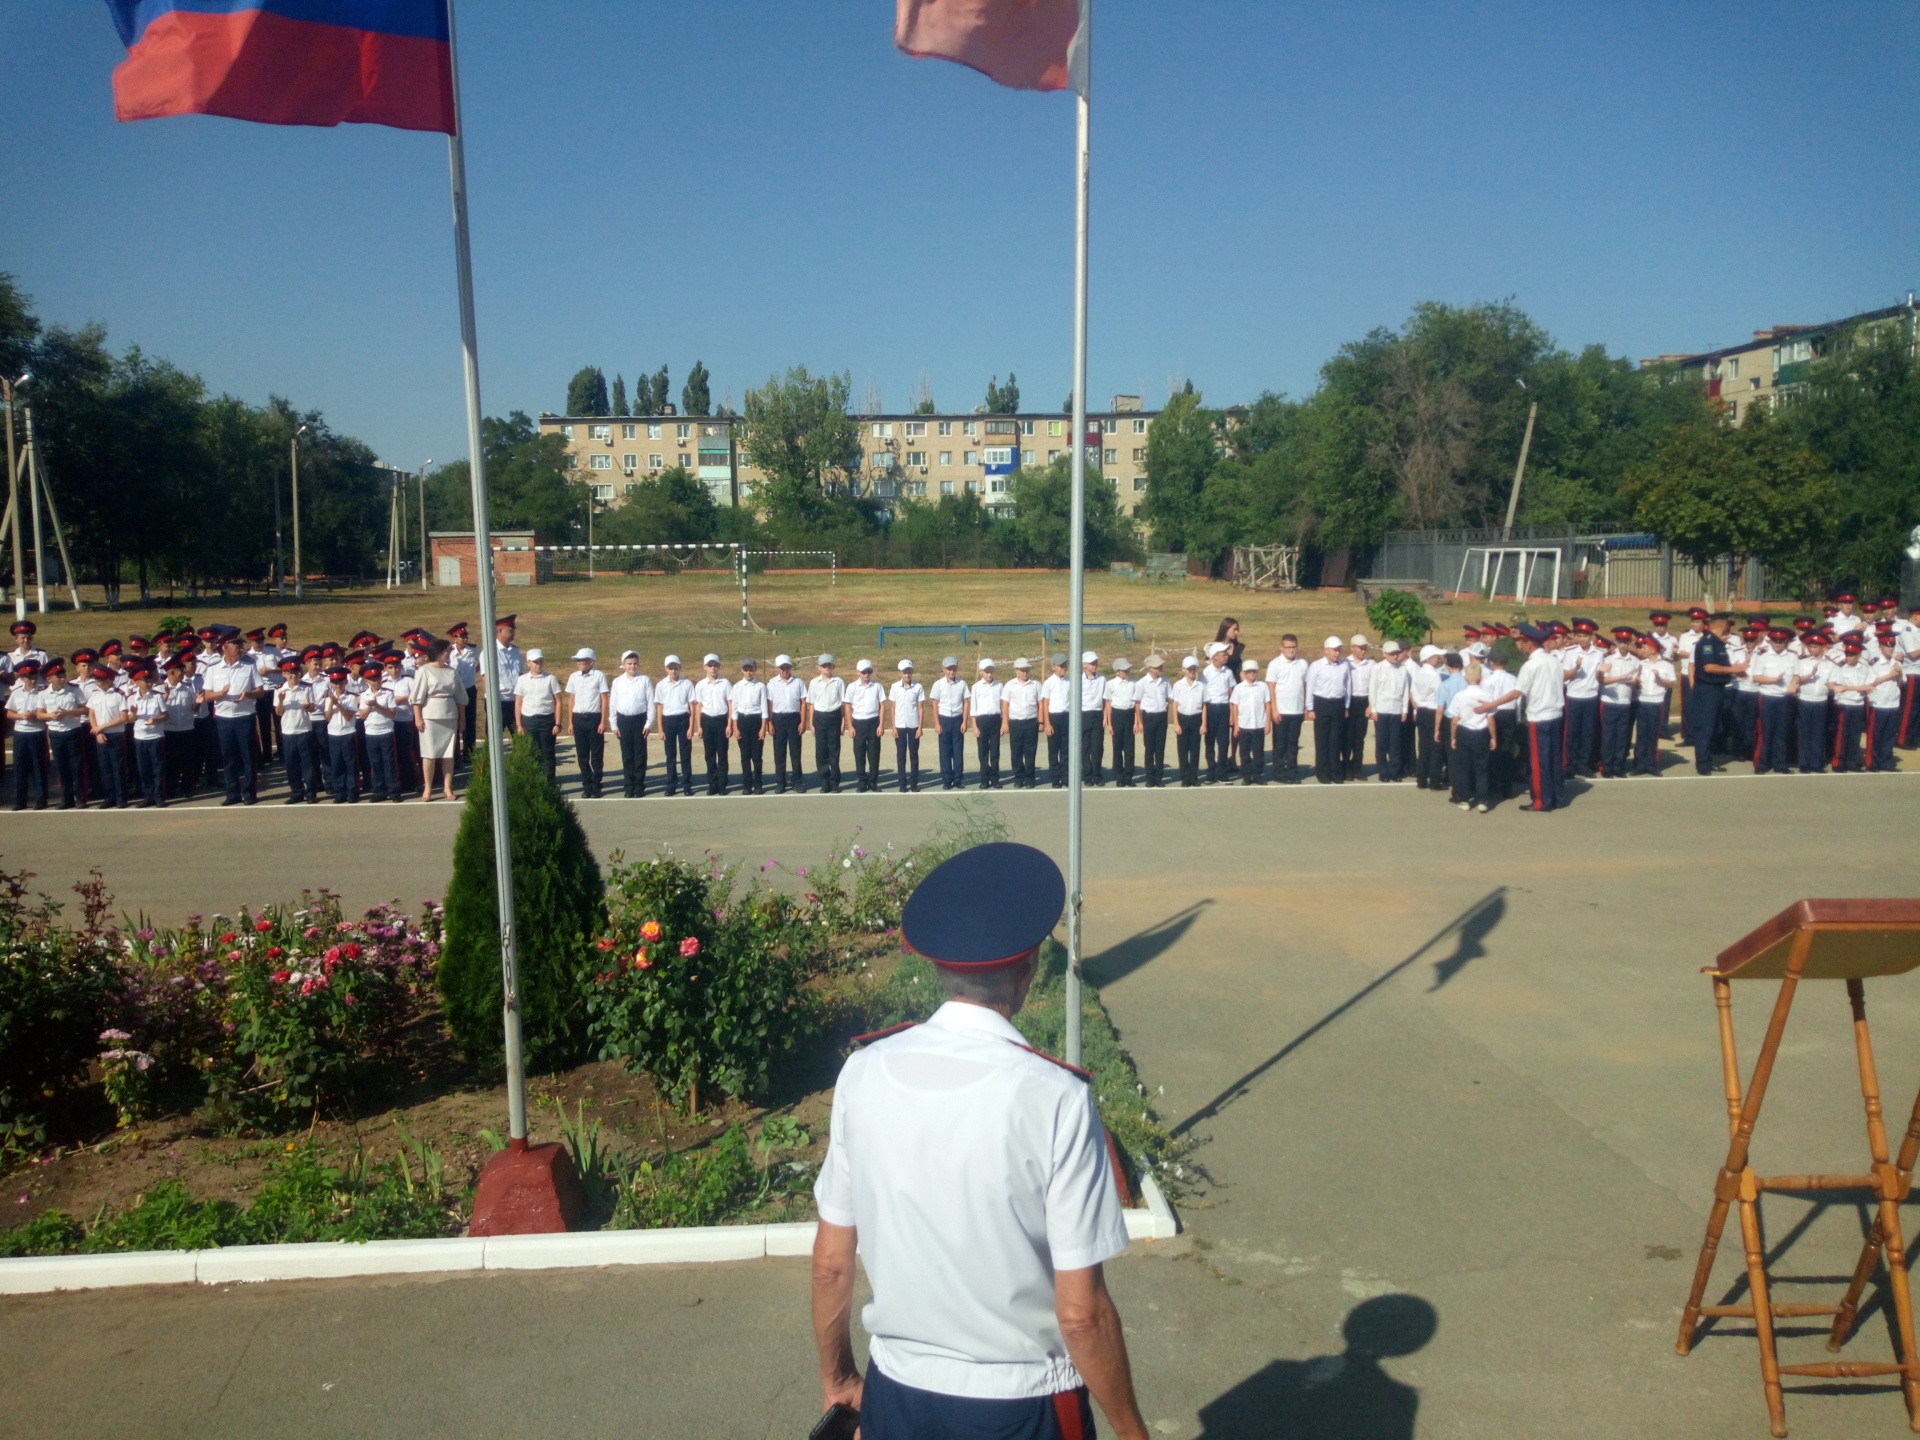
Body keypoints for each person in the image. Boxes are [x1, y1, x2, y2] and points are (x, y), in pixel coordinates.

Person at [811, 841, 1148, 1440]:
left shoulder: (864, 1073)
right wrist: (1131, 1430)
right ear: (1028, 971)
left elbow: (831, 1266)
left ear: (939, 967)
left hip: (898, 1394)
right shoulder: (1056, 1097)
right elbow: (1082, 1314)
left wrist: (839, 1379)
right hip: (1022, 1403)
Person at [1504, 624, 1567, 812]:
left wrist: (1491, 705)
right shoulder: (1554, 661)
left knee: (1539, 762)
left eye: (1520, 642)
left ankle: (1542, 800)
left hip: (1539, 717)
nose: (1520, 647)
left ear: (1528, 642)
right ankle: (1557, 796)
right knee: (1554, 759)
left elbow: (1517, 692)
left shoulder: (1531, 665)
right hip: (1556, 715)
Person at [203, 636, 261, 806]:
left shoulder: (249, 666)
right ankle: (232, 793)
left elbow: (260, 691)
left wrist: (248, 694)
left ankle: (249, 793)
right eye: (237, 646)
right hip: (224, 719)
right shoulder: (214, 669)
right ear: (226, 648)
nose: (241, 648)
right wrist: (220, 693)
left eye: (241, 645)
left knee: (248, 757)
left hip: (245, 717)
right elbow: (207, 695)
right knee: (228, 757)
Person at [1688, 613, 1738, 776]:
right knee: (1705, 727)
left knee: (1714, 726)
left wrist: (1734, 672)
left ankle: (1708, 760)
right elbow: (1709, 667)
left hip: (1717, 689)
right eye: (1728, 623)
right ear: (1722, 623)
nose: (1729, 627)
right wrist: (1734, 669)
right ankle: (1702, 763)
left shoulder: (1718, 643)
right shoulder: (1707, 642)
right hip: (1706, 690)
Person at [1446, 660, 1495, 814]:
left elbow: (1455, 719)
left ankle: (1465, 799)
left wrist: (1453, 737)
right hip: (1481, 732)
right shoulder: (1487, 695)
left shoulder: (1460, 696)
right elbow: (1490, 718)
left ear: (1466, 677)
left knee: (1464, 767)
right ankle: (1482, 800)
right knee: (1481, 768)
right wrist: (1493, 737)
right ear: (1480, 677)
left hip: (1464, 731)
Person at [38, 661, 88, 809]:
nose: (61, 677)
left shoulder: (74, 690)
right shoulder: (43, 693)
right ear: (49, 679)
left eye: (63, 674)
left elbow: (85, 709)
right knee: (61, 766)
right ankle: (66, 798)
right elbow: (39, 714)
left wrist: (68, 713)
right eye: (57, 675)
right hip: (55, 732)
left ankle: (80, 797)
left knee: (76, 765)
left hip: (72, 730)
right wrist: (50, 715)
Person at [609, 651, 655, 799]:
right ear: (623, 665)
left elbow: (650, 703)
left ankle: (639, 786)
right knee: (627, 755)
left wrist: (648, 724)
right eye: (629, 663)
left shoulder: (645, 680)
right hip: (623, 721)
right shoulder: (617, 682)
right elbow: (613, 704)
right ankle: (629, 786)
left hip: (640, 720)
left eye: (635, 663)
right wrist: (614, 724)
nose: (632, 666)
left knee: (640, 755)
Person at [1749, 628, 1795, 775]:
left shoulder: (1793, 657)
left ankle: (1780, 763)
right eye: (1775, 640)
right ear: (1770, 641)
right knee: (1765, 732)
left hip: (1784, 698)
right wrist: (1773, 680)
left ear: (1786, 642)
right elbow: (1756, 677)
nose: (1778, 644)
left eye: (1781, 641)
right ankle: (1762, 763)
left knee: (1781, 732)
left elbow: (1796, 675)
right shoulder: (1763, 657)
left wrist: (1794, 685)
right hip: (1767, 697)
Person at [564, 648, 609, 798]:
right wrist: (570, 722)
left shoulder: (599, 676)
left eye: (582, 660)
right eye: (578, 661)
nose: (579, 663)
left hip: (594, 718)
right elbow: (571, 699)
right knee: (582, 754)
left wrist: (603, 721)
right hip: (578, 718)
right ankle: (587, 785)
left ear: (591, 661)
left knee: (596, 754)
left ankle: (596, 785)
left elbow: (604, 699)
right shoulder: (574, 677)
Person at [276, 655, 321, 804]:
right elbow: (278, 713)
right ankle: (296, 792)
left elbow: (313, 708)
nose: (293, 676)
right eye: (289, 673)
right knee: (291, 764)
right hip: (288, 731)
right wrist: (281, 701)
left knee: (307, 763)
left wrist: (308, 706)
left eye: (295, 673)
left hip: (304, 730)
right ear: (284, 674)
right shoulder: (280, 690)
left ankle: (311, 793)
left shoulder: (306, 688)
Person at [1561, 620, 1603, 779]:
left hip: (1591, 696)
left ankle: (1583, 764)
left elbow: (1600, 675)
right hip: (1574, 696)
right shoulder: (1570, 652)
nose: (1582, 639)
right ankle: (1569, 765)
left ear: (1591, 637)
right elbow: (1564, 676)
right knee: (1571, 733)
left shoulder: (1599, 653)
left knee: (1587, 733)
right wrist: (1576, 668)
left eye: (1585, 635)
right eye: (1579, 635)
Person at [513, 649, 564, 782]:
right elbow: (518, 703)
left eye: (540, 661)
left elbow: (558, 701)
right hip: (529, 721)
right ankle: (534, 781)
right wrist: (519, 725)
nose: (538, 664)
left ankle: (549, 782)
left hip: (547, 720)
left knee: (548, 753)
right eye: (535, 662)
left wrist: (558, 723)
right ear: (528, 663)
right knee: (531, 753)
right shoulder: (522, 680)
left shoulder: (550, 679)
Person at [1596, 628, 1640, 779]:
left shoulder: (1634, 660)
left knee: (1622, 736)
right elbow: (1604, 681)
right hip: (1609, 701)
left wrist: (1634, 680)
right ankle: (1607, 766)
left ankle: (1618, 766)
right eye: (1620, 642)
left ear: (1629, 643)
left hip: (1625, 701)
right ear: (1616, 642)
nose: (1623, 645)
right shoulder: (1608, 659)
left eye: (1626, 642)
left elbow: (1635, 680)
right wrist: (1623, 676)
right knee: (1608, 736)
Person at [1828, 633, 1875, 772]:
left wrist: (1848, 687)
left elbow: (1869, 686)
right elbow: (1831, 683)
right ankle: (1838, 762)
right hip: (1844, 704)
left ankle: (1851, 762)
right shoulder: (1839, 667)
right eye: (1847, 653)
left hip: (1858, 704)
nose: (1848, 657)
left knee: (1855, 735)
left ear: (1859, 655)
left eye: (1852, 654)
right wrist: (1836, 687)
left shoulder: (1865, 667)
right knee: (1842, 735)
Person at [1264, 636, 1307, 785]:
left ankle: (1292, 772)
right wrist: (1274, 710)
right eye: (1288, 647)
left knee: (1293, 744)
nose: (1291, 650)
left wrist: (1305, 706)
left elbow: (1305, 686)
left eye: (1293, 647)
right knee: (1280, 744)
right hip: (1281, 711)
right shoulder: (1275, 664)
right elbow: (1271, 688)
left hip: (1297, 710)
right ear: (1282, 648)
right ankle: (1279, 772)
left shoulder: (1302, 664)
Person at [1632, 633, 1675, 777]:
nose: (1642, 650)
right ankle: (1639, 764)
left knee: (1652, 735)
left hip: (1656, 703)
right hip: (1643, 701)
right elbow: (1636, 683)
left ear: (1653, 649)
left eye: (1644, 647)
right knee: (1641, 734)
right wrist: (1636, 682)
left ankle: (1651, 764)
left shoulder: (1666, 665)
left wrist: (1660, 679)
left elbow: (1671, 684)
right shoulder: (1641, 664)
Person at [1306, 637, 1349, 785]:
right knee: (1322, 740)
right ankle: (1322, 772)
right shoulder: (1316, 666)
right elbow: (1310, 687)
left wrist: (1346, 706)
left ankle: (1335, 771)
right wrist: (1310, 707)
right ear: (1327, 650)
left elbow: (1347, 686)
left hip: (1337, 704)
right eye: (1334, 650)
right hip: (1321, 703)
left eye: (1339, 650)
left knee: (1335, 739)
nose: (1337, 653)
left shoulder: (1344, 666)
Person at [1367, 640, 1411, 782]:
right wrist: (1373, 709)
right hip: (1382, 709)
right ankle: (1383, 771)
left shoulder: (1403, 669)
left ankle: (1394, 771)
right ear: (1384, 653)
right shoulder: (1378, 668)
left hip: (1396, 709)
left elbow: (1405, 690)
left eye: (1397, 653)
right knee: (1382, 742)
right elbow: (1373, 690)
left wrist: (1404, 710)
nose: (1395, 656)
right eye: (1392, 654)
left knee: (1395, 743)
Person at [6, 661, 48, 810]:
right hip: (21, 733)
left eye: (34, 676)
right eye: (29, 677)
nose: (32, 680)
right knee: (20, 768)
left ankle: (41, 800)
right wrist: (21, 716)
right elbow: (10, 713)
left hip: (37, 732)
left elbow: (46, 713)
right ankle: (20, 801)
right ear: (23, 678)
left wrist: (36, 716)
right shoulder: (17, 692)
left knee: (39, 767)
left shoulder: (43, 692)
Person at [1788, 632, 1832, 774]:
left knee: (1818, 733)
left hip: (1821, 701)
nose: (1812, 649)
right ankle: (1804, 762)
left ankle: (1817, 763)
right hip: (1805, 700)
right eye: (1810, 647)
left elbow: (1832, 682)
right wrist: (1810, 675)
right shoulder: (1802, 663)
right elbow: (1796, 680)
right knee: (1804, 732)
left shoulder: (1830, 664)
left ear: (1822, 648)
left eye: (1815, 647)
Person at [692, 653, 734, 796]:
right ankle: (712, 784)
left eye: (715, 665)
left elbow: (730, 704)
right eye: (710, 665)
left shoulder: (726, 683)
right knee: (709, 755)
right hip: (707, 720)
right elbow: (699, 706)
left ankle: (722, 784)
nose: (713, 668)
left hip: (721, 720)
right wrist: (699, 726)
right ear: (705, 667)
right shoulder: (700, 685)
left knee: (722, 754)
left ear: (719, 666)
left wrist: (729, 724)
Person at [360, 658, 401, 802]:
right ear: (367, 681)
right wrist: (370, 706)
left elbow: (392, 714)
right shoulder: (363, 695)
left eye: (377, 678)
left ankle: (394, 791)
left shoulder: (388, 693)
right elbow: (362, 716)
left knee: (389, 763)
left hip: (386, 732)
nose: (376, 681)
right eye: (372, 679)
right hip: (371, 733)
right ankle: (379, 790)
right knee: (375, 763)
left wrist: (377, 705)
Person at [805, 654, 846, 794]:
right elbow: (812, 704)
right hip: (819, 717)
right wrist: (811, 723)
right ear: (819, 668)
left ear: (833, 666)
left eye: (829, 665)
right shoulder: (814, 683)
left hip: (834, 716)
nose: (827, 668)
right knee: (821, 751)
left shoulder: (839, 682)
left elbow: (843, 704)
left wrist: (843, 722)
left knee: (834, 750)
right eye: (824, 666)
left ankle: (835, 782)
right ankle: (825, 781)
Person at [655, 655, 694, 797]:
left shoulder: (687, 684)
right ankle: (671, 784)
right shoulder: (661, 685)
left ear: (680, 667)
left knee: (685, 755)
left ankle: (687, 785)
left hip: (683, 720)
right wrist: (660, 728)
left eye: (675, 668)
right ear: (666, 669)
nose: (673, 671)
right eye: (670, 668)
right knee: (670, 755)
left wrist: (691, 727)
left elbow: (692, 707)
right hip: (668, 721)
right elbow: (659, 707)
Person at [768, 655, 807, 794]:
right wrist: (770, 723)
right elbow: (770, 705)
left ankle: (797, 781)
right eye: (782, 667)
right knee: (779, 753)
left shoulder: (798, 682)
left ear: (791, 667)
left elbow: (803, 703)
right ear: (777, 668)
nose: (785, 670)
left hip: (794, 718)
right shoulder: (772, 683)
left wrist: (803, 721)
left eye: (787, 667)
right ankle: (780, 782)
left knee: (795, 752)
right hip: (778, 719)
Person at [320, 667, 360, 803]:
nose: (338, 686)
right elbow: (327, 717)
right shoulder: (328, 698)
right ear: (331, 683)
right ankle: (340, 791)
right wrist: (332, 703)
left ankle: (352, 791)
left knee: (350, 764)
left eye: (341, 682)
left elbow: (349, 716)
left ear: (345, 682)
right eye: (335, 683)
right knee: (337, 764)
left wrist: (339, 704)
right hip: (334, 734)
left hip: (348, 732)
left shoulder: (352, 697)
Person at [930, 656, 970, 791]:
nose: (951, 672)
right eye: (948, 669)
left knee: (958, 751)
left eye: (953, 669)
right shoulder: (938, 684)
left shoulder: (962, 684)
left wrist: (965, 721)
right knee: (945, 751)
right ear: (943, 670)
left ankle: (958, 779)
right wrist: (937, 723)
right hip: (944, 719)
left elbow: (966, 702)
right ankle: (947, 779)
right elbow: (935, 704)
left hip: (957, 719)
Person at [1230, 658, 1272, 785]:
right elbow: (1234, 706)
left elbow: (1268, 705)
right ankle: (1247, 776)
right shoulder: (1239, 688)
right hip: (1244, 725)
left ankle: (1258, 775)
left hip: (1259, 724)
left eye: (1254, 672)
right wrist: (1236, 725)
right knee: (1244, 752)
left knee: (1258, 752)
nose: (1252, 674)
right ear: (1244, 673)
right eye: (1249, 672)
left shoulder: (1263, 687)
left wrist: (1267, 723)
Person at [887, 659, 925, 793]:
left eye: (909, 672)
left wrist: (920, 727)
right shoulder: (894, 687)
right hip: (899, 726)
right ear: (899, 673)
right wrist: (893, 727)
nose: (907, 675)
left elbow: (920, 708)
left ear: (912, 672)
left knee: (914, 755)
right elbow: (893, 708)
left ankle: (914, 782)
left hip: (913, 725)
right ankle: (902, 783)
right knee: (901, 756)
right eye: (904, 672)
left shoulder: (918, 687)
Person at [1410, 645, 1444, 791]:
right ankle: (1435, 780)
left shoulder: (1418, 673)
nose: (1439, 659)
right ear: (1430, 659)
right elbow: (1440, 697)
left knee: (1423, 746)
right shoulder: (1434, 675)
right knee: (1435, 746)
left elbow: (1412, 694)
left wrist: (1417, 708)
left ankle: (1421, 778)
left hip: (1421, 711)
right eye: (1436, 656)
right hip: (1432, 711)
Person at [1005, 657, 1042, 789]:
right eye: (1021, 670)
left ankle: (1030, 778)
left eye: (1026, 670)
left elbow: (1040, 704)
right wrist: (1005, 722)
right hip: (1015, 722)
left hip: (1031, 722)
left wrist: (1041, 721)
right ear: (1016, 670)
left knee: (1030, 752)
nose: (1024, 673)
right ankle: (1018, 777)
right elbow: (1005, 704)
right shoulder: (1010, 685)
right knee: (1016, 752)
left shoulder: (1036, 685)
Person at [847, 659, 884, 793]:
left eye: (869, 671)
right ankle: (862, 781)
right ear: (858, 672)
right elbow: (848, 706)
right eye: (863, 672)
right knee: (859, 753)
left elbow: (882, 706)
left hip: (873, 721)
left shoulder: (877, 686)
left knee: (874, 754)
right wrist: (850, 726)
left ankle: (873, 781)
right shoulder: (852, 687)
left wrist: (881, 724)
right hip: (859, 722)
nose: (866, 674)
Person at [1200, 642, 1235, 782]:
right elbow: (1203, 693)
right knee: (1210, 742)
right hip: (1211, 708)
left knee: (1224, 742)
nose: (1226, 657)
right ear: (1214, 657)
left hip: (1224, 708)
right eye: (1223, 654)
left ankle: (1222, 772)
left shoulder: (1228, 672)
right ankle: (1211, 772)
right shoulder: (1206, 673)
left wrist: (1232, 714)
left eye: (1226, 654)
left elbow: (1232, 693)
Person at [734, 658, 769, 795]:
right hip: (743, 721)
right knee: (744, 756)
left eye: (751, 669)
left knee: (757, 756)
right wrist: (736, 728)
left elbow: (764, 709)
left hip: (756, 721)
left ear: (755, 670)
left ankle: (758, 784)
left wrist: (763, 727)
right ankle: (747, 785)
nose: (748, 672)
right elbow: (734, 710)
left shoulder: (760, 686)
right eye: (746, 669)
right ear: (742, 670)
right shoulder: (737, 687)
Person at [1136, 655, 1171, 788]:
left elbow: (1169, 699)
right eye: (1157, 666)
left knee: (1160, 749)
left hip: (1161, 716)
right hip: (1148, 717)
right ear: (1150, 668)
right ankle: (1150, 777)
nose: (1160, 668)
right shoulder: (1142, 683)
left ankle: (1159, 777)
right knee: (1149, 749)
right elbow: (1138, 703)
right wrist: (1139, 722)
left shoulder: (1165, 681)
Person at [969, 658, 1005, 789]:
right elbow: (973, 707)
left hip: (995, 720)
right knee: (983, 752)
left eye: (991, 671)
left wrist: (1003, 723)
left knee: (995, 752)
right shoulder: (976, 687)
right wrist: (974, 725)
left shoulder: (999, 686)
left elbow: (1002, 706)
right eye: (986, 672)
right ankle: (984, 779)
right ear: (980, 672)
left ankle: (995, 778)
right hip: (982, 721)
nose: (989, 674)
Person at [1342, 636, 1374, 781]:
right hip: (1350, 701)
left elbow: (1374, 686)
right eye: (1360, 648)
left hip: (1364, 701)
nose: (1363, 650)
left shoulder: (1371, 664)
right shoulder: (1345, 663)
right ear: (1352, 647)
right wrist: (1345, 706)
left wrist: (1371, 705)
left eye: (1365, 647)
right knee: (1347, 737)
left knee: (1359, 738)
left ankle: (1357, 768)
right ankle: (1346, 768)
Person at [1171, 655, 1205, 787]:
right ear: (1183, 670)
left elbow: (1204, 706)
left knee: (1195, 749)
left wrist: (1203, 723)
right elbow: (1175, 704)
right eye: (1189, 669)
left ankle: (1194, 776)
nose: (1192, 671)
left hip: (1196, 718)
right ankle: (1185, 776)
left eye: (1194, 668)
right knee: (1183, 749)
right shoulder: (1178, 685)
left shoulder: (1201, 686)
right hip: (1183, 718)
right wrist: (1176, 723)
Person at [1104, 657, 1138, 787]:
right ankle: (1119, 775)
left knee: (1129, 748)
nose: (1127, 671)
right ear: (1117, 672)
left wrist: (1136, 721)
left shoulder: (1133, 683)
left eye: (1128, 669)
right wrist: (1109, 722)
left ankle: (1128, 775)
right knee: (1117, 747)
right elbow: (1108, 703)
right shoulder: (1111, 684)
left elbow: (1135, 704)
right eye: (1124, 670)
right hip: (1117, 715)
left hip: (1129, 715)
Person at [491, 614, 524, 745]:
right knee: (494, 737)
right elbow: (486, 679)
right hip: (498, 700)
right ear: (500, 631)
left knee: (519, 734)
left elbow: (520, 675)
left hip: (515, 700)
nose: (513, 633)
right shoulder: (490, 651)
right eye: (510, 630)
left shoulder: (515, 651)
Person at [1041, 654, 1072, 789]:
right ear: (1054, 667)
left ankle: (1065, 776)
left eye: (1065, 665)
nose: (1063, 668)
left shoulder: (1070, 681)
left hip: (1067, 717)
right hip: (1054, 718)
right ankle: (1055, 777)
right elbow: (1045, 704)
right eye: (1060, 666)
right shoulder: (1048, 683)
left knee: (1066, 750)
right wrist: (1047, 723)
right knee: (1054, 750)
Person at [1077, 652, 1107, 786]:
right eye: (1092, 663)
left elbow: (1105, 700)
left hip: (1097, 714)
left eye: (1096, 662)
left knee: (1097, 747)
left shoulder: (1102, 680)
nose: (1095, 665)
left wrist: (1105, 717)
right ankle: (1087, 774)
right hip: (1083, 714)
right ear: (1084, 665)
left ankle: (1097, 774)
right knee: (1084, 747)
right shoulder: (1078, 680)